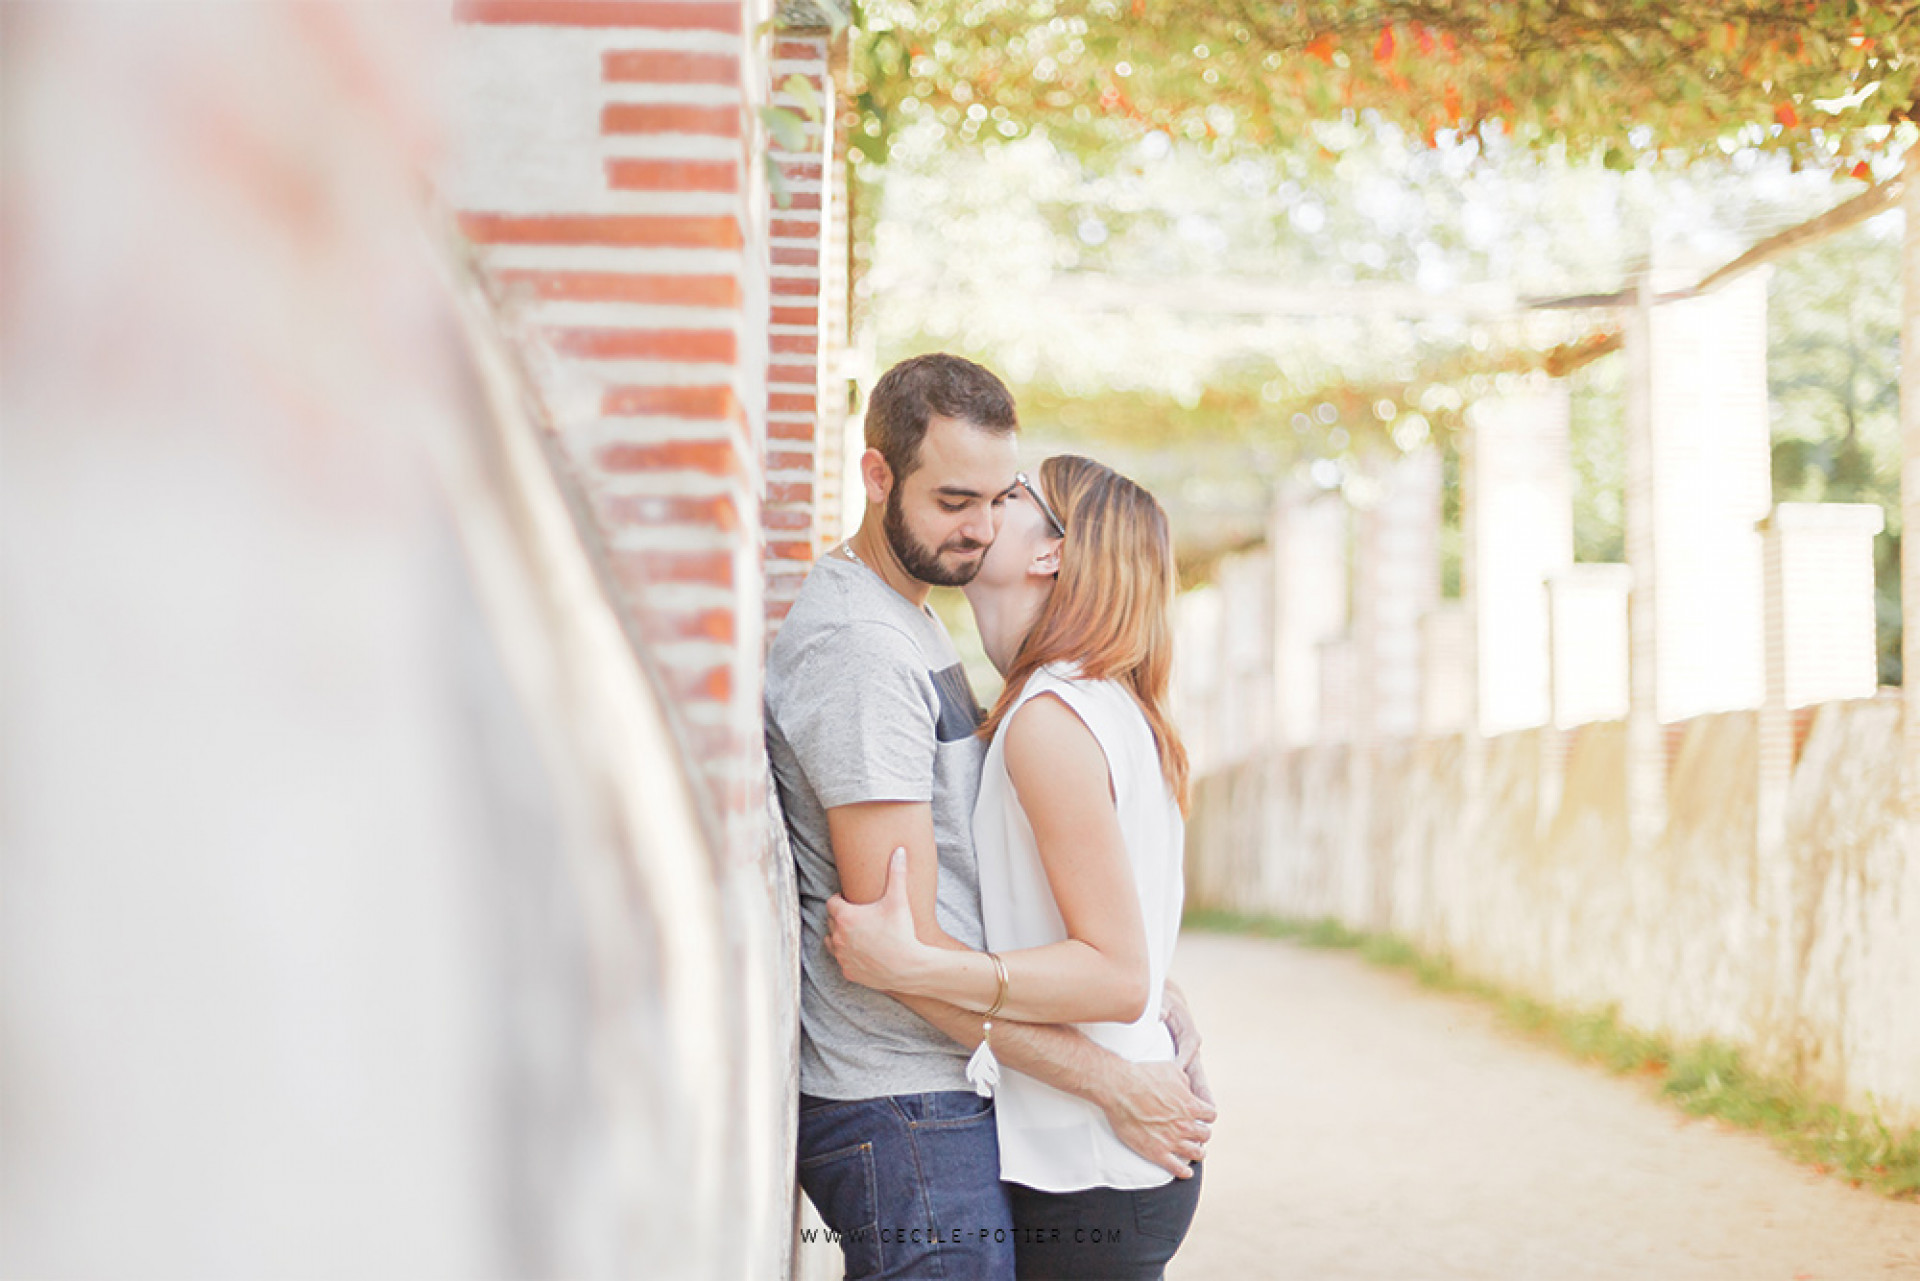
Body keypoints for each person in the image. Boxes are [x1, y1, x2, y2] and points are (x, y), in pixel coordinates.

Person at [765, 356, 1215, 1281]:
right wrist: (1115, 1071)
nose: (977, 528)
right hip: (910, 1101)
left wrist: (1138, 1012)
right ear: (878, 476)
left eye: (1003, 498)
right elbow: (900, 953)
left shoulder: (972, 658)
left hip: (995, 1109)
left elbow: (983, 946)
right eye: (959, 499)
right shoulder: (869, 645)